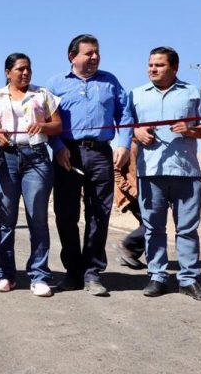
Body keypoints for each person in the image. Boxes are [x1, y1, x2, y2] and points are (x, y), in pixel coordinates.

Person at [47, 34, 132, 296]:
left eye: (96, 52)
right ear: (73, 56)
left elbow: (125, 114)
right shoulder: (56, 84)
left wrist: (124, 144)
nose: (94, 57)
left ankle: (92, 272)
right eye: (89, 53)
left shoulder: (110, 82)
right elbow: (48, 119)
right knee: (66, 214)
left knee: (98, 213)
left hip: (100, 154)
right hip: (67, 155)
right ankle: (72, 272)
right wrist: (59, 147)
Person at [129, 46, 201, 302]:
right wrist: (136, 133)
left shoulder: (191, 93)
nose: (152, 69)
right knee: (153, 228)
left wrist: (190, 131)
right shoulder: (136, 95)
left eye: (159, 65)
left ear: (174, 68)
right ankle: (157, 276)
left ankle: (189, 280)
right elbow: (127, 126)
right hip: (151, 172)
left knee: (187, 229)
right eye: (150, 65)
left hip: (186, 173)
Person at [0, 53, 61, 296]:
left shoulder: (42, 94)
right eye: (20, 69)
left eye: (28, 68)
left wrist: (43, 125)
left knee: (37, 218)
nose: (25, 73)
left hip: (37, 158)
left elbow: (58, 125)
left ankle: (39, 275)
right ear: (8, 72)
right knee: (6, 221)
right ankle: (5, 275)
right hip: (5, 158)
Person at [113, 141, 146, 270]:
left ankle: (130, 255)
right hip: (132, 195)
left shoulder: (145, 146)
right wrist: (130, 189)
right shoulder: (130, 146)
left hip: (142, 193)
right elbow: (116, 171)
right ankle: (127, 246)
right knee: (151, 224)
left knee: (148, 223)